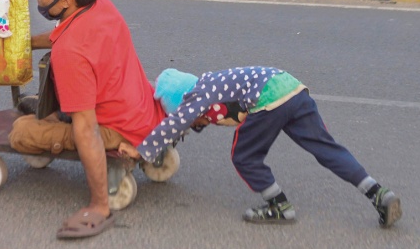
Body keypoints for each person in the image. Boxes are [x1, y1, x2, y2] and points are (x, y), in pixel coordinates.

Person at [8, 0, 166, 240]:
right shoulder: (100, 5)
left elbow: (87, 129)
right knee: (51, 111)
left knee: (20, 132)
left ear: (65, 0)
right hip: (141, 108)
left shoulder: (71, 52)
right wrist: (27, 43)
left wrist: (98, 205)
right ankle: (53, 114)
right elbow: (65, 34)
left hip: (115, 128)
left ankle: (100, 200)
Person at [119, 66, 402, 228]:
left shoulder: (195, 96)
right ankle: (379, 194)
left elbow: (175, 124)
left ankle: (279, 207)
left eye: (196, 120)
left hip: (267, 99)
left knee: (244, 155)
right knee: (327, 149)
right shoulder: (208, 83)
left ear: (181, 100)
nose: (197, 124)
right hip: (290, 86)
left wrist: (141, 151)